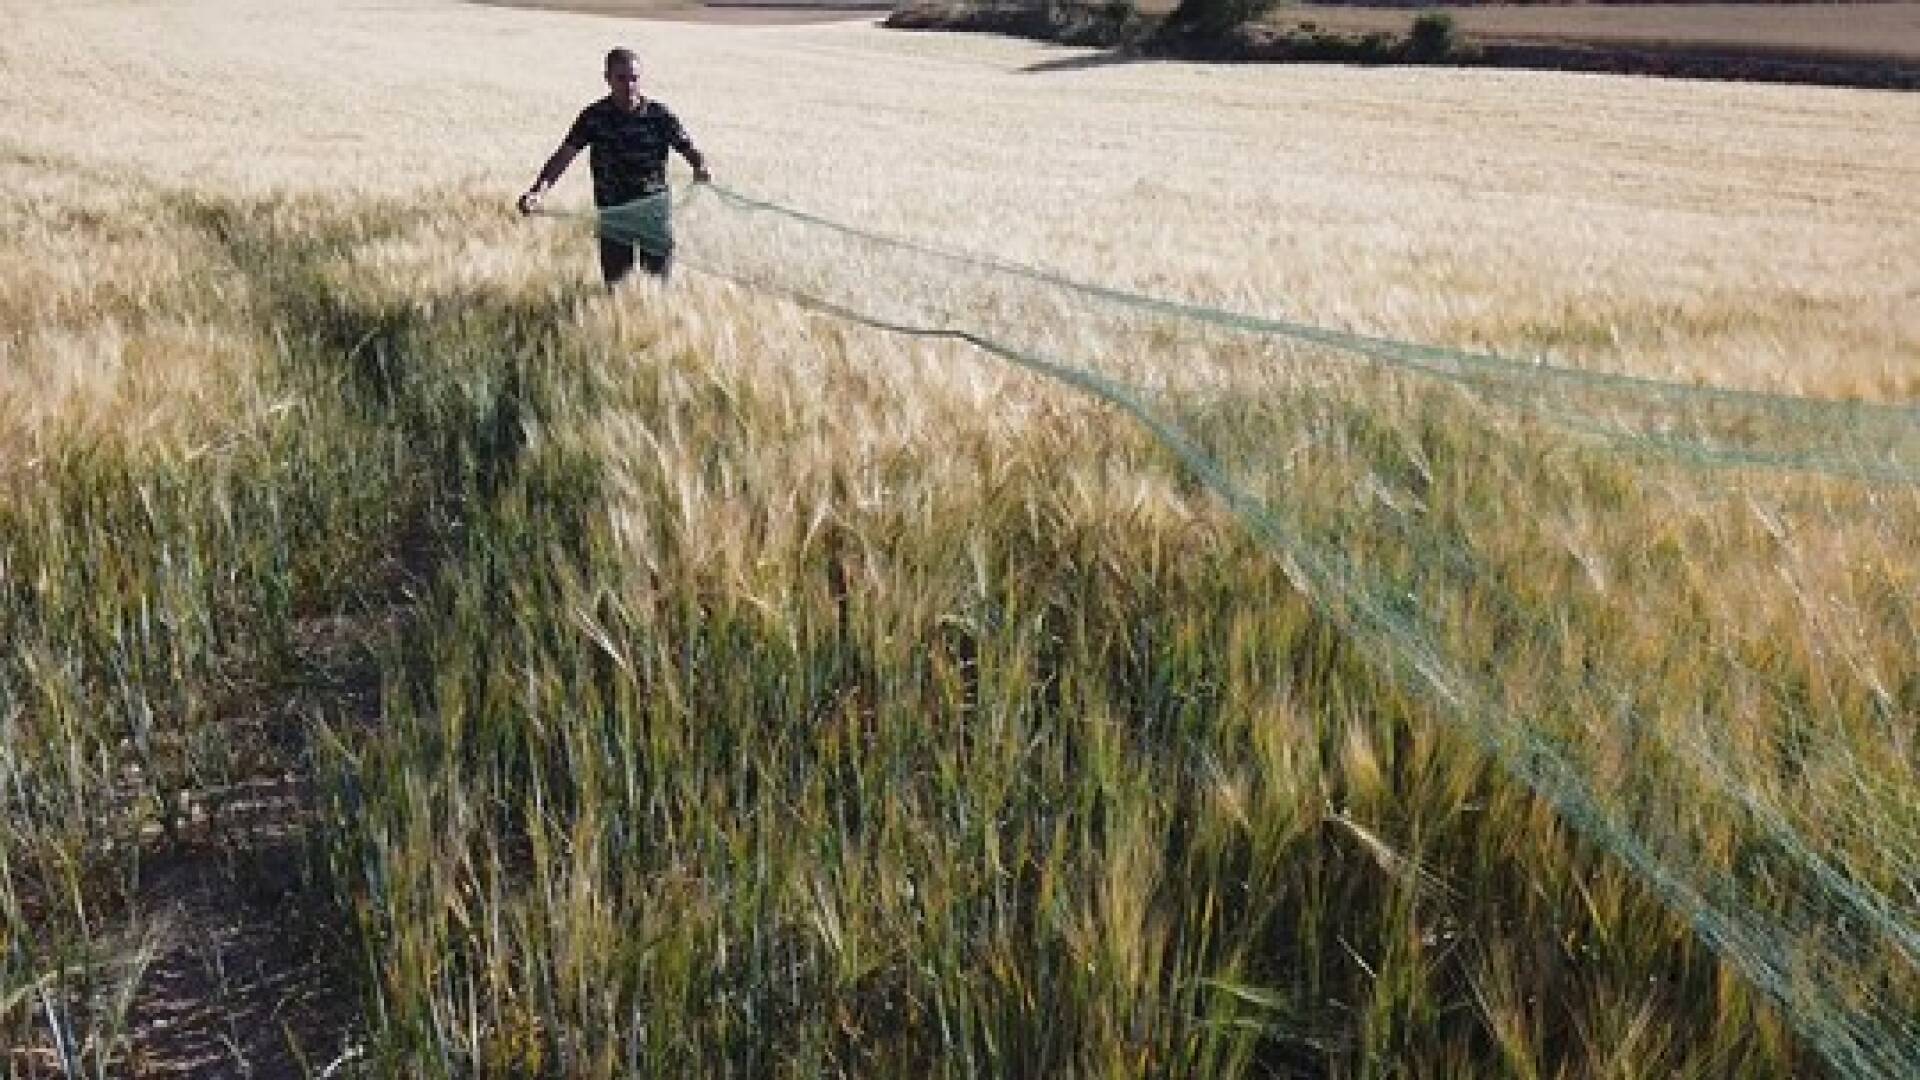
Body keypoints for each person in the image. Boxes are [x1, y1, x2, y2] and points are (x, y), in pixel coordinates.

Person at [518, 47, 711, 285]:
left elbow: (690, 150)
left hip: (654, 214)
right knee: (617, 288)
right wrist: (538, 191)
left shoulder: (659, 115)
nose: (629, 85)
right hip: (614, 215)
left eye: (634, 78)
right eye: (621, 78)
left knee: (658, 289)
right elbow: (563, 156)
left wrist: (700, 166)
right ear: (607, 79)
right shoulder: (594, 116)